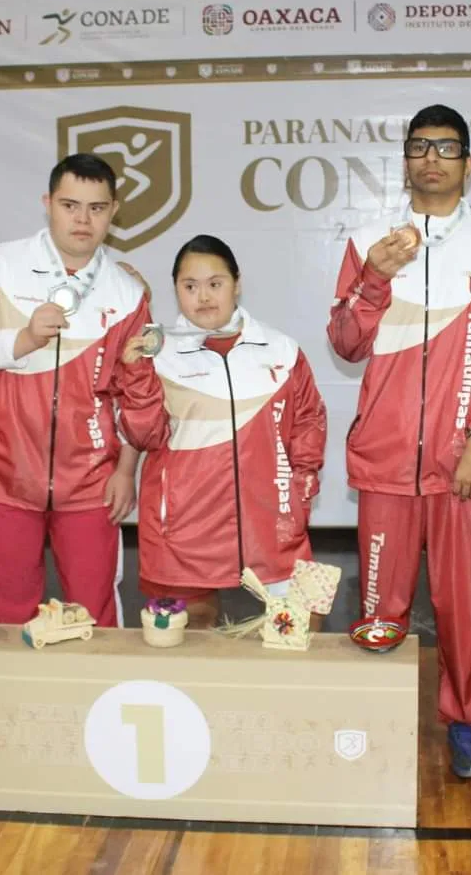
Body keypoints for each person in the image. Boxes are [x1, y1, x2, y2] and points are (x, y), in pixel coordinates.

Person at [327, 104, 471, 779]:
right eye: (419, 146)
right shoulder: (369, 241)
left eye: (446, 147)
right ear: (405, 160)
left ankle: (469, 718)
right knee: (382, 600)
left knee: (464, 604)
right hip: (386, 459)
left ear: (469, 165)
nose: (432, 158)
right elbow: (346, 343)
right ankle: (378, 715)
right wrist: (373, 278)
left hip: (466, 462)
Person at [0, 153, 168, 628]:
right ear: (47, 204)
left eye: (96, 207)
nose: (83, 219)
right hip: (2, 472)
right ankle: (14, 705)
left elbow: (135, 395)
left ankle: (94, 704)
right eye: (70, 205)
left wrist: (127, 470)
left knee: (95, 616)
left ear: (114, 211)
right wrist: (23, 340)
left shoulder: (127, 293)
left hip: (91, 481)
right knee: (9, 614)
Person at [129, 235, 327, 629]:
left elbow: (308, 424)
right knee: (193, 635)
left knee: (304, 625)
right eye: (190, 286)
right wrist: (135, 377)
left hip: (272, 522)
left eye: (215, 283)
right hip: (186, 526)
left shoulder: (281, 350)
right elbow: (143, 436)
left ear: (237, 283)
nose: (203, 296)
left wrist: (299, 493)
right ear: (176, 290)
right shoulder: (157, 353)